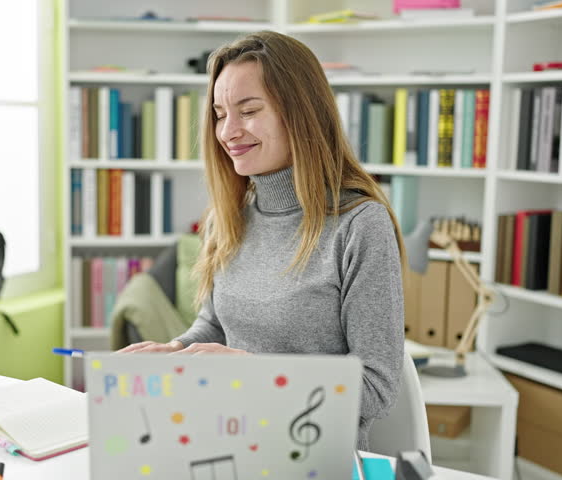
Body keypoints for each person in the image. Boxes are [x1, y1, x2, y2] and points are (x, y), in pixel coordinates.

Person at [118, 31, 405, 450]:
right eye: (219, 114)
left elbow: (376, 388)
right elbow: (215, 325)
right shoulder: (226, 219)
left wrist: (252, 372)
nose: (228, 131)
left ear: (301, 114)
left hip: (312, 453)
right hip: (226, 438)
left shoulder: (360, 226)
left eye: (248, 110)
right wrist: (174, 352)